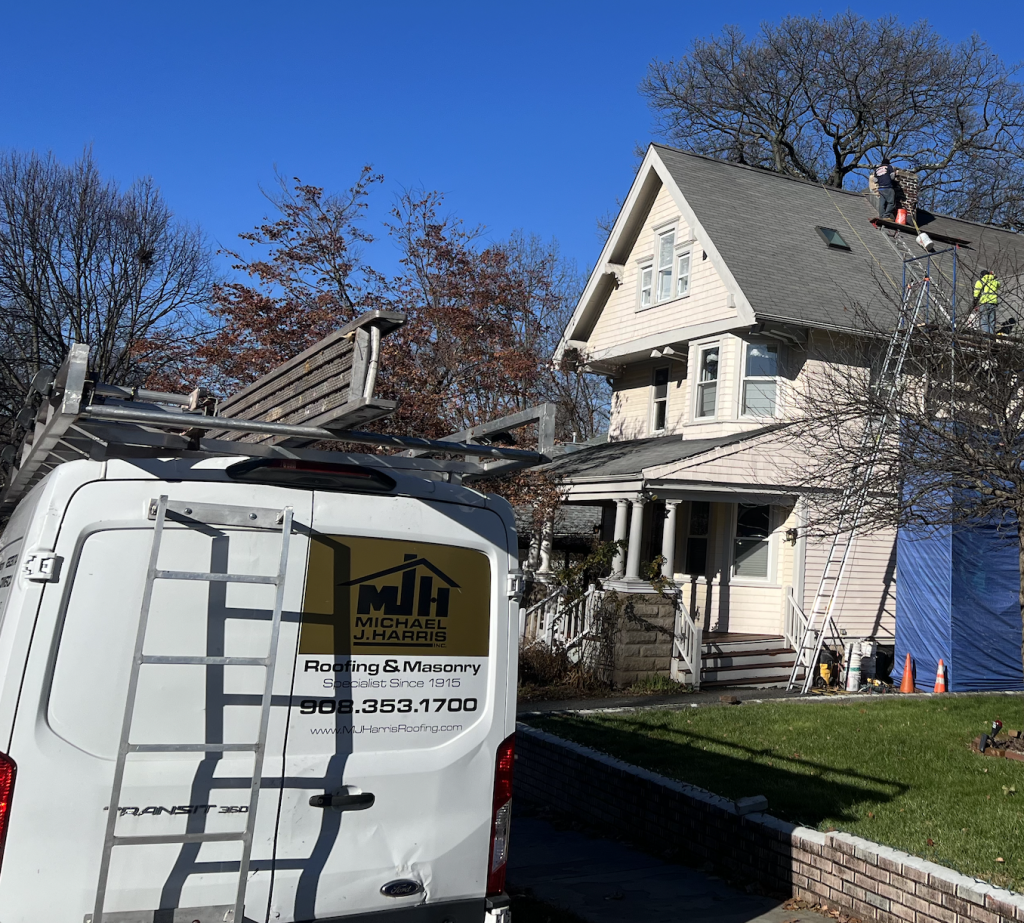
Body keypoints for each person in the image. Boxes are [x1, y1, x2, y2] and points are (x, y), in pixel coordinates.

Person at [973, 268, 1000, 334]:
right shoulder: (994, 281)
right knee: (992, 322)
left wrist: (975, 301)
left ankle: (986, 339)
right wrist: (993, 276)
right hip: (993, 304)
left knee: (984, 322)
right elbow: (999, 285)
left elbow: (976, 293)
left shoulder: (980, 282)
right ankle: (991, 338)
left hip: (984, 303)